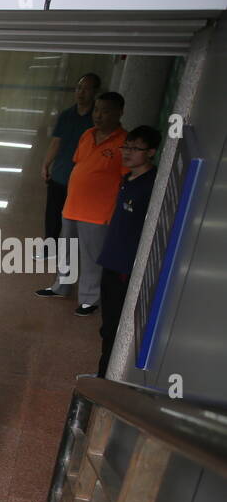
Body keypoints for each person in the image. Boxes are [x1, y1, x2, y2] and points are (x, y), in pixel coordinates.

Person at [37, 91, 128, 316]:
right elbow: (79, 163)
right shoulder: (88, 134)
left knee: (91, 258)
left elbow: (125, 178)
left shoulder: (124, 142)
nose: (98, 116)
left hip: (98, 213)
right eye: (97, 110)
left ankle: (89, 299)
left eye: (105, 111)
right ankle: (61, 286)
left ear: (119, 113)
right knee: (66, 250)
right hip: (72, 206)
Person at [96, 125, 159, 375]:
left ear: (151, 152)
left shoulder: (151, 186)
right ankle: (104, 371)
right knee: (107, 322)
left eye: (136, 148)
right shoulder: (127, 178)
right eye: (127, 146)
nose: (128, 152)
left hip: (126, 266)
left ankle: (106, 376)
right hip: (111, 260)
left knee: (115, 325)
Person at [40, 74, 101, 253]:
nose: (81, 93)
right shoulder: (66, 115)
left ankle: (71, 252)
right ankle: (49, 248)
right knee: (53, 213)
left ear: (95, 92)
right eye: (78, 88)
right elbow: (56, 142)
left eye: (86, 89)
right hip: (60, 174)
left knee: (74, 218)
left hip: (83, 179)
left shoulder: (96, 120)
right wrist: (45, 164)